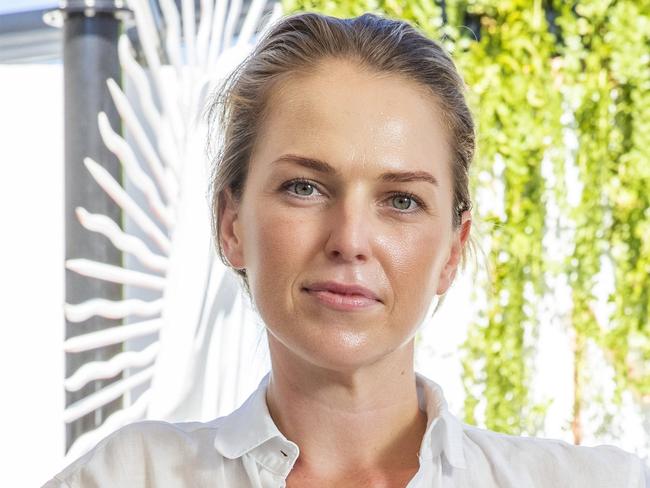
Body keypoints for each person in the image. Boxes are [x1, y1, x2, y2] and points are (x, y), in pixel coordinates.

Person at [44, 11, 649, 488]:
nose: (350, 240)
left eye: (402, 200)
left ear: (451, 251)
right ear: (231, 223)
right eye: (304, 187)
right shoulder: (127, 477)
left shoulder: (600, 482)